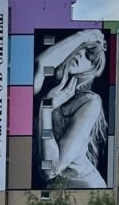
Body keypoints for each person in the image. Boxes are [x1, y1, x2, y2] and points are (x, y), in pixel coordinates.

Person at [33, 28, 108, 188]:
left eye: (89, 57)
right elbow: (41, 63)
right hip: (51, 193)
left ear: (91, 69)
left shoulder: (89, 102)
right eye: (81, 49)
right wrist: (84, 36)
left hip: (84, 189)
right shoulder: (44, 86)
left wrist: (46, 109)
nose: (81, 55)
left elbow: (51, 170)